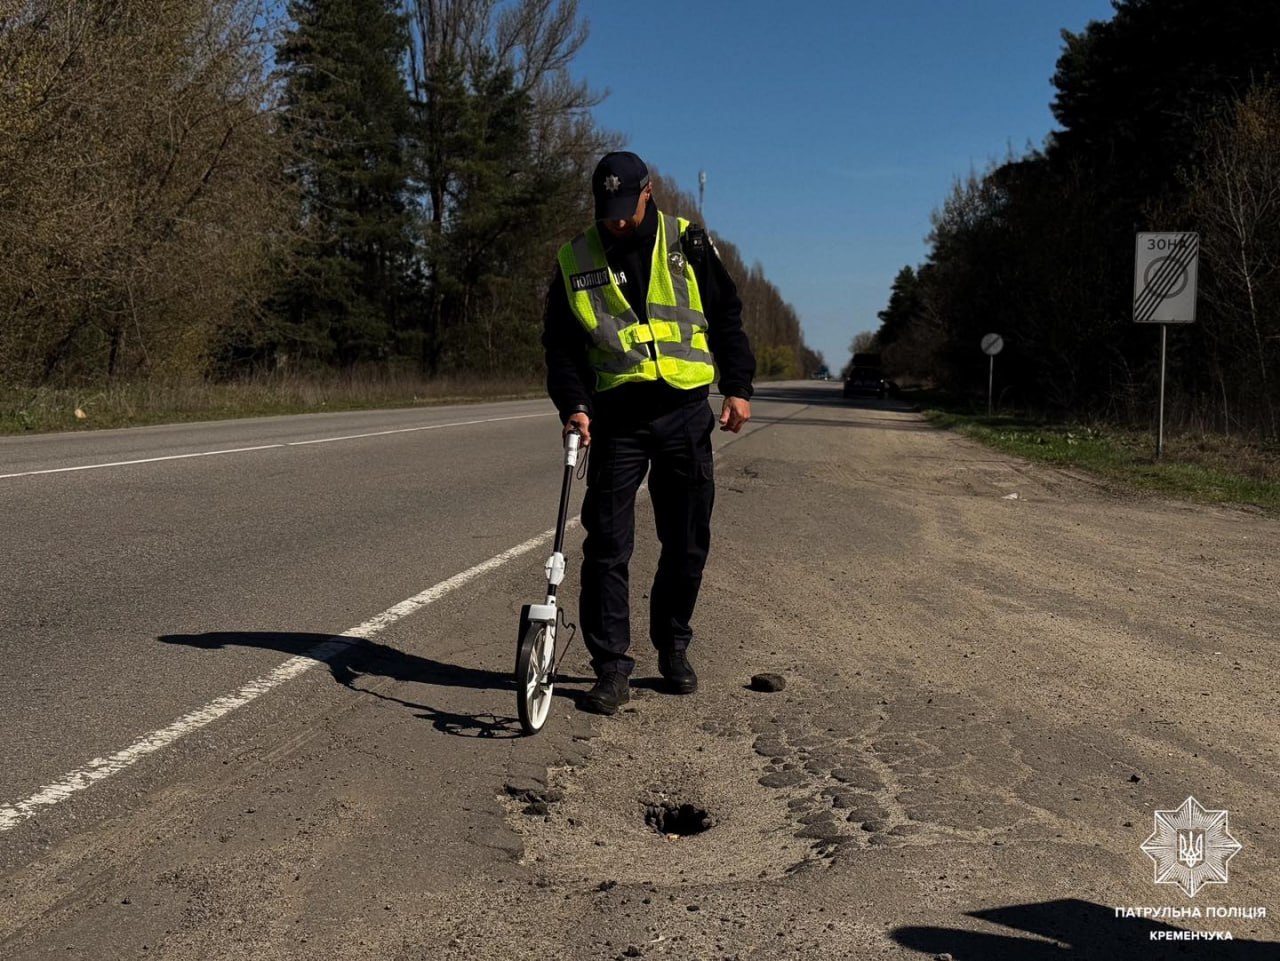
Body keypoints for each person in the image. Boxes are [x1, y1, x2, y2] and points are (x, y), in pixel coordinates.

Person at [542, 151, 755, 716]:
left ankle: (673, 645)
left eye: (625, 209)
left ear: (648, 192)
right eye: (604, 210)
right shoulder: (575, 258)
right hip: (618, 421)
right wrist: (576, 406)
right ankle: (611, 668)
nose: (615, 222)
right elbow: (562, 350)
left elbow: (727, 315)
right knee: (608, 546)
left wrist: (738, 387)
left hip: (685, 413)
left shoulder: (689, 243)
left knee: (686, 543)